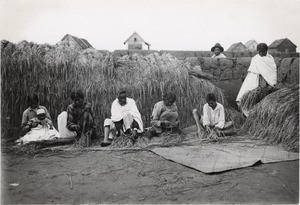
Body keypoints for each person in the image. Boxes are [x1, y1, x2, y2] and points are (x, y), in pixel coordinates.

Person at [236, 43, 277, 116]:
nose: (261, 53)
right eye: (259, 51)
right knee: (253, 96)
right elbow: (253, 71)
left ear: (266, 51)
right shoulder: (255, 59)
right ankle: (252, 114)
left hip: (267, 81)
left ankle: (264, 113)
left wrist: (271, 81)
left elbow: (272, 71)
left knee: (266, 96)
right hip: (256, 79)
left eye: (263, 51)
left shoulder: (270, 58)